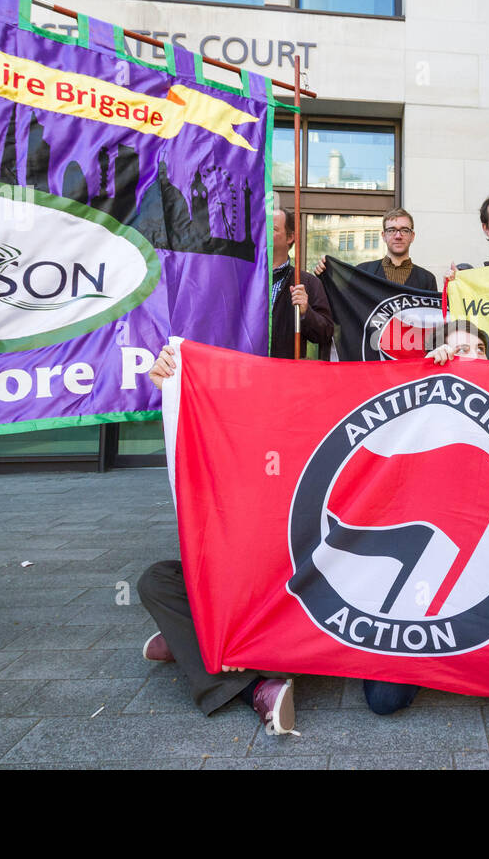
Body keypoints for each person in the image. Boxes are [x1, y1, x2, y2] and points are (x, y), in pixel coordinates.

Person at [360, 319, 489, 729]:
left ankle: (474, 658)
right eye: (460, 349)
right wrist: (427, 375)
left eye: (479, 350)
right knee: (383, 699)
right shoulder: (420, 414)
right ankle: (440, 657)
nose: (471, 357)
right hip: (426, 592)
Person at [138, 346, 299, 735]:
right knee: (155, 581)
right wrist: (171, 393)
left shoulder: (291, 461)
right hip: (226, 594)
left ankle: (191, 642)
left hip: (277, 611)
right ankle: (247, 683)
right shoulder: (217, 453)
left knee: (279, 658)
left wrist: (230, 628)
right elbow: (186, 449)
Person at [268, 207, 335, 360]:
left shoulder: (307, 283)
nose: (265, 233)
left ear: (290, 237)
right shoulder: (246, 280)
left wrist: (306, 312)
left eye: (272, 229)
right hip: (246, 372)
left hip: (285, 376)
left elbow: (325, 333)